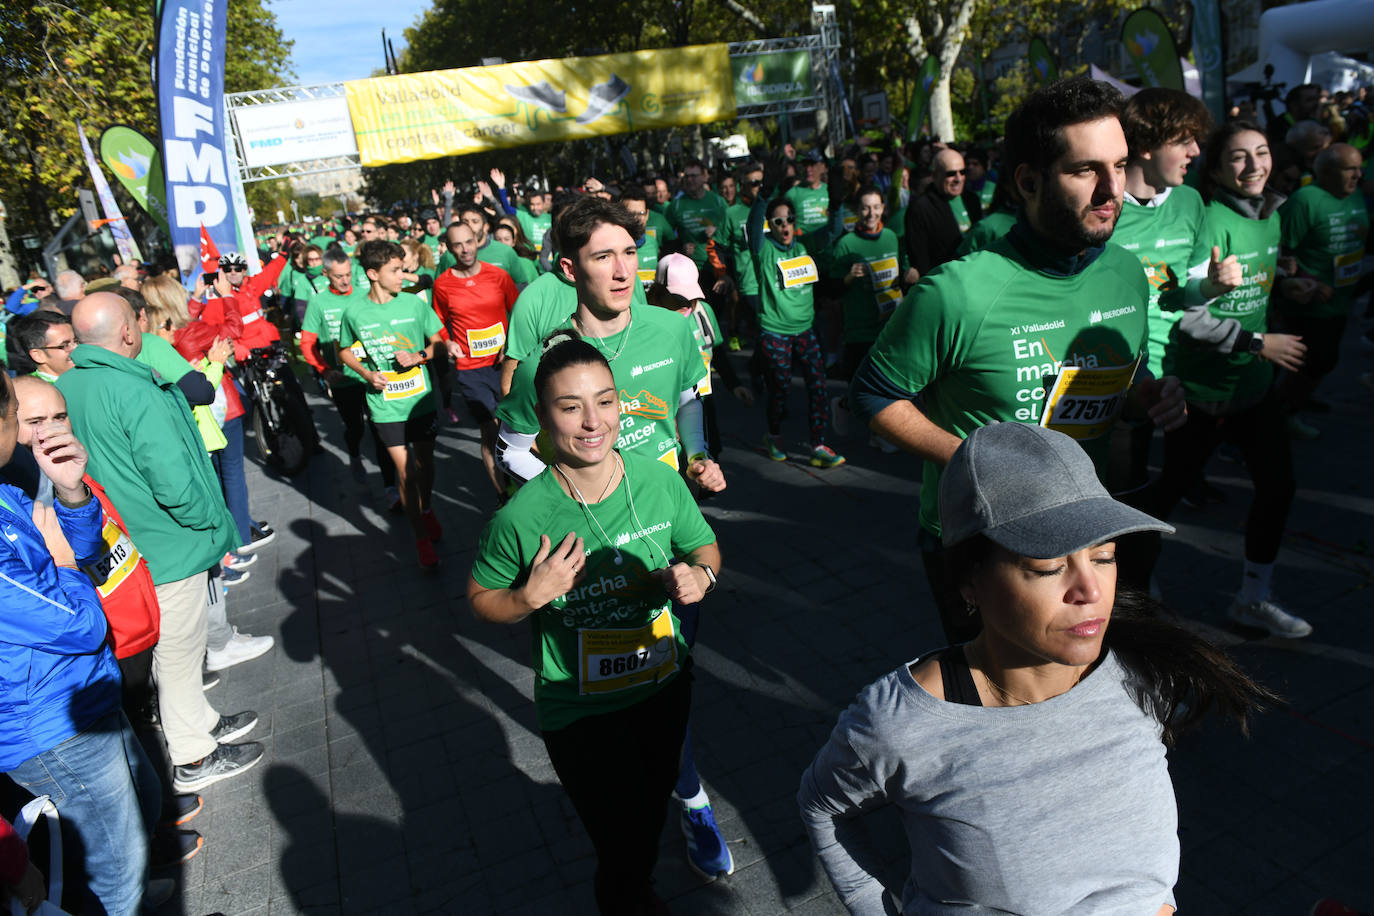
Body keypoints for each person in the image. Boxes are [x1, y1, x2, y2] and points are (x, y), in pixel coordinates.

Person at [798, 421, 1274, 916]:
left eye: (1105, 556)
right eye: (1048, 567)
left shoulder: (1142, 675)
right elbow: (822, 807)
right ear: (968, 583)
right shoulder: (899, 725)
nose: (1090, 590)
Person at [850, 78, 1185, 642]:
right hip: (980, 541)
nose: (1112, 190)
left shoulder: (1127, 271)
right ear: (1029, 181)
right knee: (1003, 706)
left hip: (1087, 523)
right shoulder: (956, 291)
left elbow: (1117, 382)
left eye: (1121, 166)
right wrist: (975, 461)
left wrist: (1144, 395)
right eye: (1086, 171)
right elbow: (872, 395)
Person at [469, 337, 723, 915]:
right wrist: (527, 596)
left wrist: (701, 579)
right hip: (580, 711)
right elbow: (481, 598)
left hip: (663, 687)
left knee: (650, 815)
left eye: (605, 402)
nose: (592, 422)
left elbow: (705, 546)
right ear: (541, 417)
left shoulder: (658, 482)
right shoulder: (522, 515)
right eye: (570, 407)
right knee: (619, 846)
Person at [58, 292, 265, 792]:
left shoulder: (68, 386)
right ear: (129, 333)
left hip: (132, 541)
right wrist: (203, 522)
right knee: (179, 650)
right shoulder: (133, 389)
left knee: (180, 648)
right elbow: (170, 477)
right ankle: (194, 756)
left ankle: (202, 723)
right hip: (168, 540)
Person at [0, 370, 164, 915]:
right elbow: (80, 623)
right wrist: (67, 565)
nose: (41, 434)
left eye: (56, 417)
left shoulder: (11, 482)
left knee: (145, 807)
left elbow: (85, 548)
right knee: (112, 875)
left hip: (86, 691)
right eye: (25, 418)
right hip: (51, 726)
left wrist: (71, 491)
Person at [1149, 120, 1314, 638]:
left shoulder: (1272, 214)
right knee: (1165, 495)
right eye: (1238, 158)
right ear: (1217, 169)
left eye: (1261, 153)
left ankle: (1254, 597)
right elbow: (1188, 313)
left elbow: (1256, 284)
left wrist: (1290, 281)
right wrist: (1259, 343)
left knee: (1278, 487)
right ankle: (1135, 580)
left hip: (1253, 388)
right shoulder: (1209, 219)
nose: (1254, 166)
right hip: (1200, 392)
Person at [495, 198, 725, 493]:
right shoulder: (544, 362)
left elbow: (688, 401)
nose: (623, 271)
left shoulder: (673, 328)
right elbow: (510, 452)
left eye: (629, 252)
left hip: (671, 504)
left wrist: (697, 457)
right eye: (603, 257)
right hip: (596, 531)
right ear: (570, 269)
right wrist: (570, 496)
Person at [337, 240, 447, 569]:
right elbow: (343, 351)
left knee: (425, 466)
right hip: (385, 407)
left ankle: (425, 508)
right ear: (373, 274)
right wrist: (367, 374)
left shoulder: (413, 305)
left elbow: (440, 344)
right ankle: (420, 539)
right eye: (396, 271)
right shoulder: (355, 312)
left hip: (420, 402)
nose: (404, 276)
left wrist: (419, 356)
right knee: (407, 472)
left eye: (403, 268)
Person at [1274, 143, 1369, 437]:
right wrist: (1306, 279)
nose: (1358, 175)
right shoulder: (1306, 200)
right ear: (1326, 172)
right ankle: (1281, 415)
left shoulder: (1355, 197)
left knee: (1322, 362)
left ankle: (1296, 403)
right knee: (1314, 362)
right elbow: (1278, 249)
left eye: (1360, 169)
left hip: (1341, 299)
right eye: (1350, 170)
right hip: (1308, 303)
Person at [748, 194, 846, 468]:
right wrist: (761, 197)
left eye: (789, 220)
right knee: (780, 389)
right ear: (771, 225)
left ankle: (818, 445)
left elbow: (833, 231)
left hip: (805, 330)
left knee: (818, 386)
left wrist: (837, 206)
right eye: (778, 222)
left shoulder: (804, 246)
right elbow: (754, 228)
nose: (785, 226)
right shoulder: (764, 249)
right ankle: (774, 436)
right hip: (774, 331)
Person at [432, 221, 518, 499]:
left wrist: (511, 344)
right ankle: (501, 494)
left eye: (469, 241)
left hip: (504, 364)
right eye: (457, 244)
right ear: (449, 248)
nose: (465, 249)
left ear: (478, 240)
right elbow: (438, 321)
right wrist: (447, 341)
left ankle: (527, 482)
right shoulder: (443, 284)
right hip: (470, 369)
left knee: (518, 425)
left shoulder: (498, 276)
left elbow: (518, 313)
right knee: (489, 429)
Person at [300, 248, 396, 493]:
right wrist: (324, 371)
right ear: (325, 274)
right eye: (337, 276)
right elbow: (307, 343)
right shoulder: (318, 302)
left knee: (379, 429)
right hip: (343, 380)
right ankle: (354, 455)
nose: (344, 281)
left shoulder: (365, 295)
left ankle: (390, 486)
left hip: (371, 376)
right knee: (355, 428)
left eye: (348, 275)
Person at [903, 148, 984, 279]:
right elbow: (920, 259)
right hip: (946, 282)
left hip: (975, 277)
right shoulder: (920, 208)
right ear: (935, 176)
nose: (958, 178)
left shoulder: (972, 200)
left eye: (962, 172)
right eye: (951, 173)